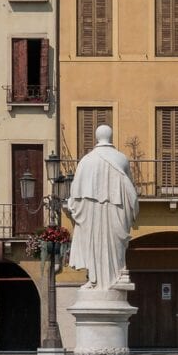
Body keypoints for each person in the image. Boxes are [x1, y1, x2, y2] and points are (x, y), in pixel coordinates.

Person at [66, 124, 139, 292]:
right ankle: (116, 275)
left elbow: (75, 195)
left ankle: (94, 279)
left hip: (92, 214)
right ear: (110, 137)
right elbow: (131, 191)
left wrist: (73, 206)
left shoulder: (85, 161)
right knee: (116, 245)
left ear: (97, 137)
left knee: (93, 243)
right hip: (117, 210)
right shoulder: (122, 159)